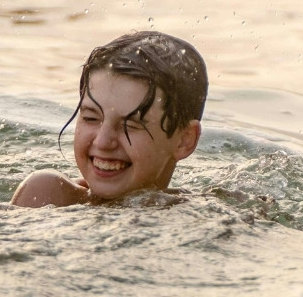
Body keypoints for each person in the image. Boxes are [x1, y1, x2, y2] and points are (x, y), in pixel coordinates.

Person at [12, 31, 207, 206]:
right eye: (90, 118)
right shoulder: (50, 196)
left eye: (131, 124)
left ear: (184, 140)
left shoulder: (202, 216)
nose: (103, 141)